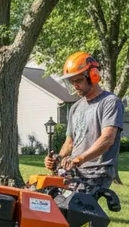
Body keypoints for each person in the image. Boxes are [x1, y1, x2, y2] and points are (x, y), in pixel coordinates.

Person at [44, 52, 124, 192]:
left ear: (93, 76)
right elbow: (69, 143)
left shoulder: (110, 102)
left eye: (79, 80)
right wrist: (58, 158)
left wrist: (80, 159)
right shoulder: (75, 108)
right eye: (72, 82)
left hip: (97, 171)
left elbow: (107, 139)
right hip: (75, 171)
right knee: (44, 196)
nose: (75, 85)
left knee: (74, 204)